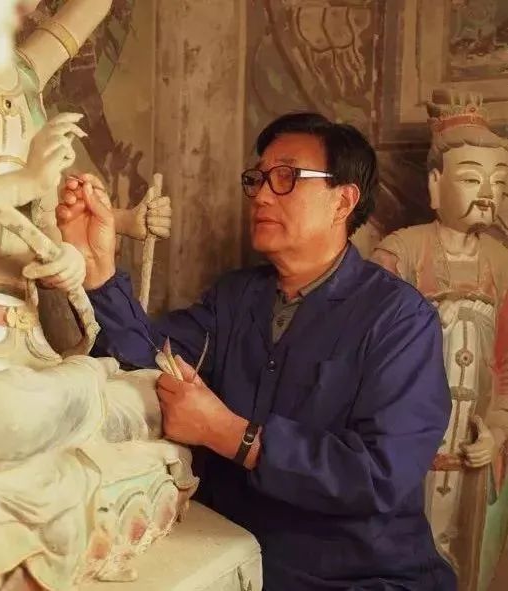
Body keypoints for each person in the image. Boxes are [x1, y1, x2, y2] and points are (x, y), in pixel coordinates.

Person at [52, 112, 456, 590]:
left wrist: (231, 434)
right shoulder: (237, 296)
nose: (262, 195)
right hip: (242, 559)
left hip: (361, 577)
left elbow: (380, 475)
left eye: (286, 177)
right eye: (258, 179)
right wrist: (97, 268)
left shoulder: (400, 320)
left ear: (343, 201)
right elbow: (151, 363)